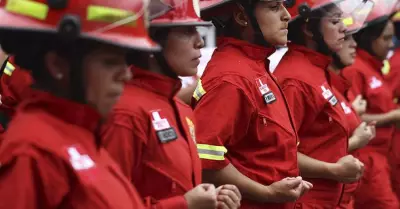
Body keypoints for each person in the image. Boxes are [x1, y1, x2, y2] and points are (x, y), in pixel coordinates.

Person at [0, 0, 159, 208]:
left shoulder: (82, 135)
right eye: (110, 62)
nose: (126, 74)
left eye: (125, 61)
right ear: (57, 65)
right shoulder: (31, 152)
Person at [101, 0, 242, 208]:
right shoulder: (125, 113)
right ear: (152, 40)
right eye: (186, 31)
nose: (199, 42)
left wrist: (210, 198)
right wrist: (184, 204)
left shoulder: (179, 108)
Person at [192, 0, 313, 208]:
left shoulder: (252, 66)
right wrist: (266, 193)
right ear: (241, 17)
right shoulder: (231, 77)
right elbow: (205, 157)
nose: (286, 15)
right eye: (274, 7)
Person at [273, 0, 374, 208]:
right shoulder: (296, 78)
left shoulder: (315, 70)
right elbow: (280, 153)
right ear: (309, 29)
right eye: (335, 21)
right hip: (307, 201)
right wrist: (333, 170)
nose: (344, 28)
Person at [340, 0, 400, 208]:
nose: (390, 44)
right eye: (385, 38)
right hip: (368, 157)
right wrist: (393, 116)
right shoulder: (356, 68)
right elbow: (351, 115)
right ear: (370, 38)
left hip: (385, 155)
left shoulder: (374, 67)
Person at [328, 32, 376, 208]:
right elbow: (300, 151)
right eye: (345, 37)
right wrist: (356, 140)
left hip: (345, 190)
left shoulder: (335, 82)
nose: (354, 44)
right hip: (326, 193)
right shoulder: (310, 82)